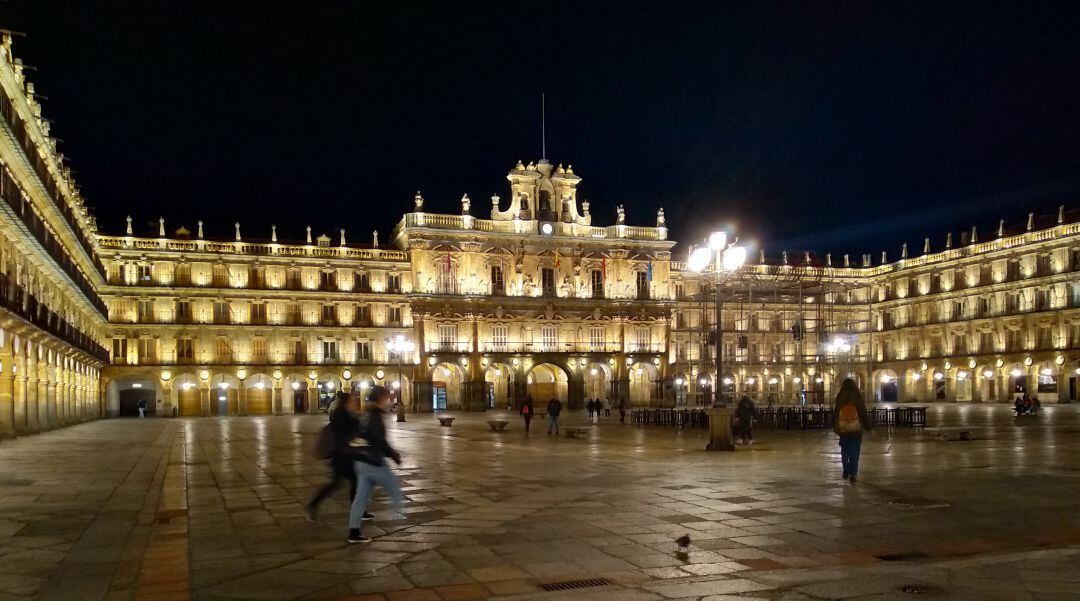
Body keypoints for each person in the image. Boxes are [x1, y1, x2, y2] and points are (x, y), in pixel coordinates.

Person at [345, 385, 403, 544]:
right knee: (394, 486)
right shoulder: (375, 416)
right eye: (386, 397)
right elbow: (379, 440)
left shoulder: (365, 414)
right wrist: (394, 455)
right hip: (373, 461)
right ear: (380, 398)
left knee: (360, 497)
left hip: (361, 461)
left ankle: (354, 532)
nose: (388, 400)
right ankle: (403, 519)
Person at [307, 392, 374, 523]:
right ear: (347, 402)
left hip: (342, 457)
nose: (355, 402)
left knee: (339, 484)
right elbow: (349, 436)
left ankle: (313, 505)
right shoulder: (344, 417)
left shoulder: (342, 415)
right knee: (354, 482)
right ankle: (313, 505)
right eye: (352, 400)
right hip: (344, 457)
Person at [833, 378, 872, 484]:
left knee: (844, 450)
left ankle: (846, 467)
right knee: (854, 451)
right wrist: (868, 426)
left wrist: (836, 425)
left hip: (844, 428)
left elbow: (836, 413)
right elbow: (863, 413)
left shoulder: (839, 397)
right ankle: (853, 474)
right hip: (856, 428)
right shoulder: (858, 397)